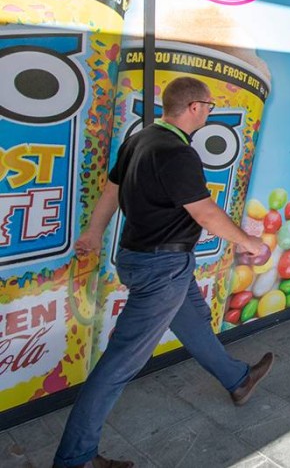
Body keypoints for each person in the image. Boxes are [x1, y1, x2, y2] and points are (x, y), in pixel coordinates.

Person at [54, 77, 274, 468]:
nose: (209, 112)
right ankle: (76, 458)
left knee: (194, 324)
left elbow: (111, 192)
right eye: (208, 106)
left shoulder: (139, 140)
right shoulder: (177, 152)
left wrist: (93, 232)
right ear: (194, 107)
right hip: (161, 268)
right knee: (121, 362)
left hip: (142, 258)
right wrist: (248, 242)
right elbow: (205, 213)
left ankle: (238, 380)